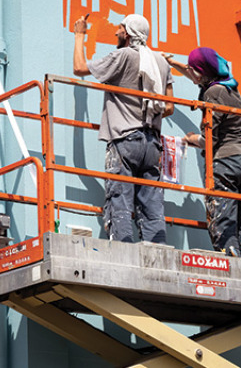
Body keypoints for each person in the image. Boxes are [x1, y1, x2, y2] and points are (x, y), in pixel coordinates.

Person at [73, 13, 174, 244]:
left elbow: (79, 68)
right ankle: (155, 249)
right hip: (152, 144)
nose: (116, 32)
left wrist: (80, 34)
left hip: (125, 140)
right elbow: (169, 107)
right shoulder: (160, 61)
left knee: (120, 200)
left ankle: (123, 249)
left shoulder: (123, 56)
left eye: (119, 28)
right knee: (151, 203)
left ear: (127, 33)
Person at [165, 47, 241, 258]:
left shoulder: (212, 93)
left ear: (201, 72)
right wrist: (172, 62)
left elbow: (210, 139)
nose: (190, 73)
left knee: (224, 222)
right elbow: (195, 72)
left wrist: (190, 139)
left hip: (226, 163)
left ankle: (232, 263)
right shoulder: (229, 85)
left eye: (192, 70)